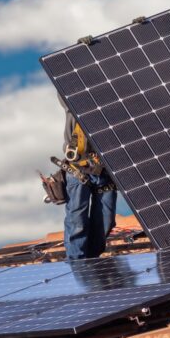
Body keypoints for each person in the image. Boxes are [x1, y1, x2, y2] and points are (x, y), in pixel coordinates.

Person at [62, 110, 118, 260]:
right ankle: (77, 263)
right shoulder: (74, 103)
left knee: (106, 220)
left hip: (105, 171)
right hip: (78, 169)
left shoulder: (113, 106)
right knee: (77, 222)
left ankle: (92, 261)